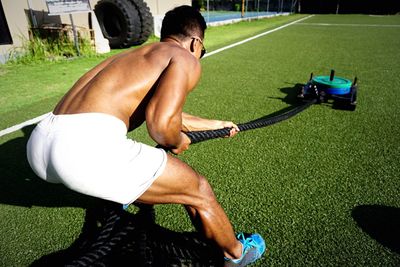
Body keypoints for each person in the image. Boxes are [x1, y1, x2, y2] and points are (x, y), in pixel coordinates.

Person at [26, 5, 265, 266]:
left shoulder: (134, 57)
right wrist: (176, 140)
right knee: (199, 190)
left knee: (170, 179)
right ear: (196, 43)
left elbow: (165, 112)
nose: (200, 56)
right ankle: (236, 253)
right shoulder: (183, 58)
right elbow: (163, 125)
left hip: (40, 142)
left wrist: (217, 124)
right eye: (202, 52)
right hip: (82, 149)